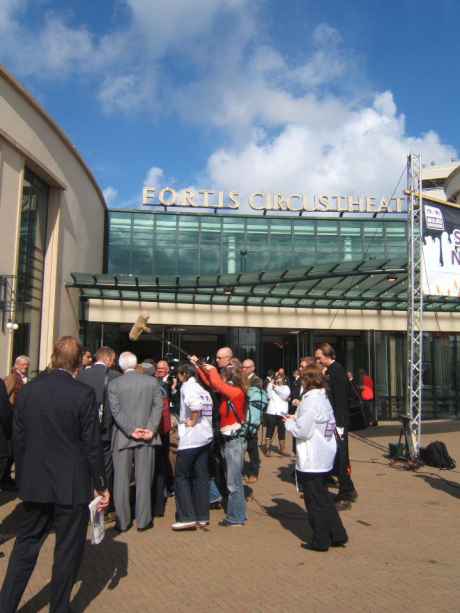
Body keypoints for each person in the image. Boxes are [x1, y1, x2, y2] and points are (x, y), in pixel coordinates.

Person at [0, 336, 109, 613]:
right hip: (70, 484)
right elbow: (92, 445)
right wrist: (100, 484)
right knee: (67, 552)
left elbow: (18, 438)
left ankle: (6, 604)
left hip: (35, 483)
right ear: (77, 363)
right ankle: (59, 608)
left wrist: (22, 477)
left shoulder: (30, 391)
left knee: (25, 546)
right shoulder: (83, 394)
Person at [284, 365, 348, 552]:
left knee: (315, 501)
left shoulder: (310, 401)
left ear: (307, 380)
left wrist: (289, 423)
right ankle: (337, 533)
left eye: (302, 378)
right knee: (324, 498)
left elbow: (303, 431)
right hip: (323, 453)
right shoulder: (323, 398)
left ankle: (321, 540)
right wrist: (296, 419)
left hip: (312, 457)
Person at [109, 352, 163, 532]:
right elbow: (158, 407)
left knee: (121, 480)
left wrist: (131, 430)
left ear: (121, 365)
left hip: (123, 436)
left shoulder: (114, 384)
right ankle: (144, 519)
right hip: (148, 436)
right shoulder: (151, 382)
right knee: (144, 478)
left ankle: (122, 521)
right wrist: (151, 428)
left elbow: (115, 412)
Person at [193, 357, 248, 527]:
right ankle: (236, 514)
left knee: (234, 482)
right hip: (228, 440)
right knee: (231, 479)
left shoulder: (237, 392)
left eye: (229, 367)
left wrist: (213, 370)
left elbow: (216, 383)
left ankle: (236, 517)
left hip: (234, 441)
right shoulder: (230, 390)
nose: (224, 371)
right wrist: (199, 366)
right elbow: (211, 382)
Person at [78, 346, 120, 516]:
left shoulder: (81, 375)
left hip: (83, 431)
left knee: (84, 469)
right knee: (105, 470)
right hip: (106, 431)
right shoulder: (116, 377)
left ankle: (84, 504)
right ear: (109, 359)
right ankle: (101, 506)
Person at [314, 343, 358, 510]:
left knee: (340, 457)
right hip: (335, 420)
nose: (318, 361)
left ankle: (345, 493)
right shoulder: (334, 370)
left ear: (328, 355)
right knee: (336, 456)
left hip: (337, 421)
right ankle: (349, 489)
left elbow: (337, 399)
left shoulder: (335, 371)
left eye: (319, 357)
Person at [172, 364, 213, 530]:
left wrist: (192, 420)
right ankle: (202, 516)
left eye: (179, 375)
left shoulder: (187, 387)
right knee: (201, 476)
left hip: (192, 439)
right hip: (205, 437)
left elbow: (196, 406)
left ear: (183, 375)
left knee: (181, 476)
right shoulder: (203, 390)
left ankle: (187, 516)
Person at [242, 359, 266, 484]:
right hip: (243, 416)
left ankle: (254, 472)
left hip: (252, 418)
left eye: (247, 367)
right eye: (243, 367)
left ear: (253, 368)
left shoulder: (257, 380)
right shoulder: (242, 378)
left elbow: (250, 394)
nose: (244, 369)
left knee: (252, 446)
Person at [263, 373, 291, 457]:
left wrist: (276, 387)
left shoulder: (286, 388)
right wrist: (271, 384)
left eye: (280, 378)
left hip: (282, 412)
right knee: (270, 430)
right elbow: (268, 395)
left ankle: (282, 449)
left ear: (283, 380)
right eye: (277, 378)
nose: (278, 380)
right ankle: (267, 449)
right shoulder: (271, 386)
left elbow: (284, 396)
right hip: (272, 411)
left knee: (281, 431)